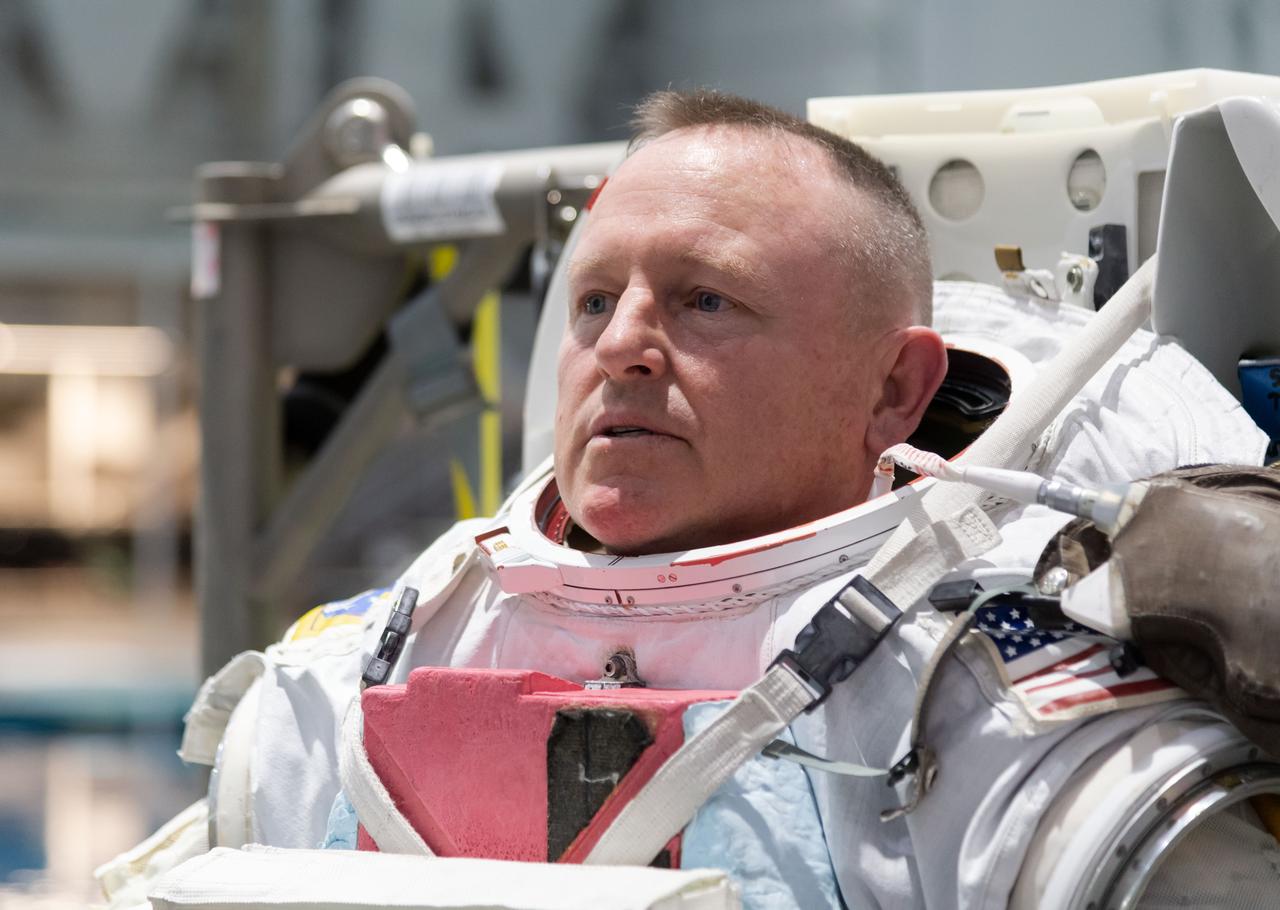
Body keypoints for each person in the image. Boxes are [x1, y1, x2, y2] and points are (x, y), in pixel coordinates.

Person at [100, 90, 1277, 909]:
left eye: (705, 300)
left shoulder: (987, 723)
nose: (623, 346)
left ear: (895, 389)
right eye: (594, 302)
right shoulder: (341, 690)